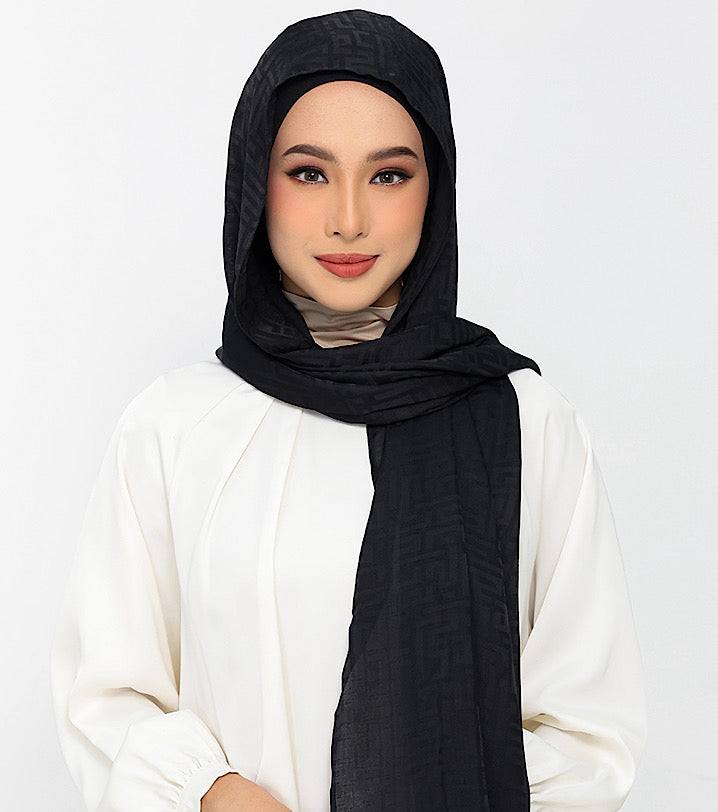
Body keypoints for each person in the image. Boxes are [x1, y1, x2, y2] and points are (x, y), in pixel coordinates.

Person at [49, 9, 647, 812]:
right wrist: (210, 793)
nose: (349, 219)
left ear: (436, 188)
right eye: (309, 173)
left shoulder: (524, 423)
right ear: (255, 181)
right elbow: (107, 696)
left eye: (389, 175)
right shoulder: (175, 426)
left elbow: (589, 734)